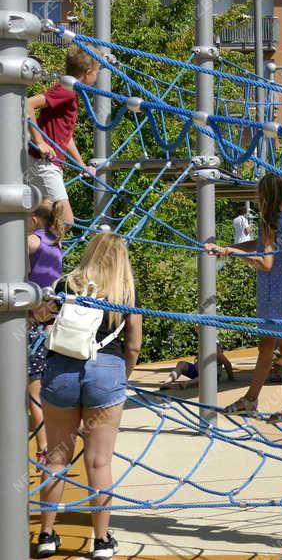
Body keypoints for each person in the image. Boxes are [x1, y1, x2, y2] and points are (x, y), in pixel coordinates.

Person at [34, 232, 143, 559]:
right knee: (99, 461)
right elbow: (134, 343)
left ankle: (47, 535)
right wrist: (123, 376)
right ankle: (101, 541)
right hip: (107, 369)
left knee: (56, 458)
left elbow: (42, 317)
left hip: (62, 372)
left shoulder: (67, 283)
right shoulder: (124, 291)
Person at [205, 173, 282, 421]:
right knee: (267, 346)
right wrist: (228, 248)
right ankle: (251, 399)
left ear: (264, 197)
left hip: (278, 291)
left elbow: (266, 262)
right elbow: (260, 245)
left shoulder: (269, 222)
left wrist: (231, 253)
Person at [25, 46, 100, 230]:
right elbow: (27, 104)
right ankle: (34, 250)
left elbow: (66, 137)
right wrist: (39, 141)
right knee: (65, 221)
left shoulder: (71, 91)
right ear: (88, 72)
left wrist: (81, 164)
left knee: (44, 219)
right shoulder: (66, 90)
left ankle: (31, 249)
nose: (97, 77)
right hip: (43, 163)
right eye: (97, 72)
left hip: (50, 164)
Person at [26, 198, 65, 470]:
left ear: (34, 220)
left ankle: (43, 446)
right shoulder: (56, 241)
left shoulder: (33, 241)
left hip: (33, 314)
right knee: (40, 383)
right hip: (51, 315)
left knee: (33, 389)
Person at [160, 343, 234, 389]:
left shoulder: (216, 352)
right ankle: (167, 382)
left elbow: (227, 364)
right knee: (181, 364)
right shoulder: (203, 347)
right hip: (196, 371)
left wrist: (231, 378)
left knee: (207, 375)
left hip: (209, 376)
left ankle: (187, 384)